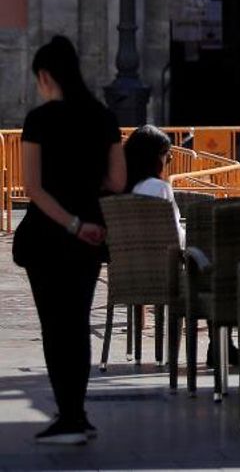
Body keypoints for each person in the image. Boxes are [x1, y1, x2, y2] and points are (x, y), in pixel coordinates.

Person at [11, 36, 124, 445]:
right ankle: (78, 412)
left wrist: (70, 222)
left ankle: (69, 416)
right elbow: (117, 181)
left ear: (45, 76)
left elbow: (34, 188)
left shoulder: (39, 121)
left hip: (48, 236)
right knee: (76, 322)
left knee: (54, 327)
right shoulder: (105, 118)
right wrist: (84, 217)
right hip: (91, 237)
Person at [123, 125, 182, 246]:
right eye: (168, 157)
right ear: (156, 158)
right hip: (158, 259)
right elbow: (174, 235)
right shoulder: (159, 188)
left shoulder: (117, 186)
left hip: (122, 259)